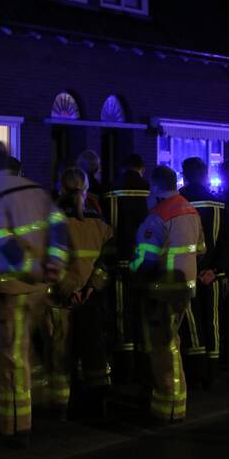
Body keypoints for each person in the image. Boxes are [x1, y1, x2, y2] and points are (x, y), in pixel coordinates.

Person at [0, 140, 68, 447]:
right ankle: (33, 409)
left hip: (8, 284)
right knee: (27, 348)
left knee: (9, 355)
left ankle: (13, 425)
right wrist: (54, 263)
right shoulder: (35, 190)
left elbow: (2, 240)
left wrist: (30, 267)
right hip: (38, 286)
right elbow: (58, 225)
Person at [130, 165, 206, 424]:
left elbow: (147, 259)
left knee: (162, 348)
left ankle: (167, 407)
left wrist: (134, 273)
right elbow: (201, 248)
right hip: (186, 288)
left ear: (154, 186)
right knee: (173, 343)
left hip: (161, 290)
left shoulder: (158, 215)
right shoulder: (191, 210)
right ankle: (175, 403)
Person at [41, 167, 114, 419]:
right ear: (86, 188)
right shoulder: (99, 221)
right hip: (91, 298)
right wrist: (92, 286)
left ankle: (60, 406)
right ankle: (98, 403)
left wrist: (67, 289)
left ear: (60, 187)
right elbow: (108, 260)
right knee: (94, 350)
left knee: (60, 352)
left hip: (61, 299)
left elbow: (49, 261)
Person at [178, 157, 227, 389]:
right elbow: (228, 241)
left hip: (188, 272)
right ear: (205, 174)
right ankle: (213, 370)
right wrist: (215, 269)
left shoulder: (180, 202)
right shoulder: (219, 202)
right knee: (213, 320)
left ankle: (196, 370)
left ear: (184, 174)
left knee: (191, 319)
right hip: (213, 274)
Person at [102, 153, 150, 384]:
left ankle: (126, 365)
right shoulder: (151, 189)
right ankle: (144, 361)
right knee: (145, 309)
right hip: (147, 261)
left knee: (122, 312)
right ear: (141, 168)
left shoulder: (113, 189)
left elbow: (110, 227)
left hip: (121, 260)